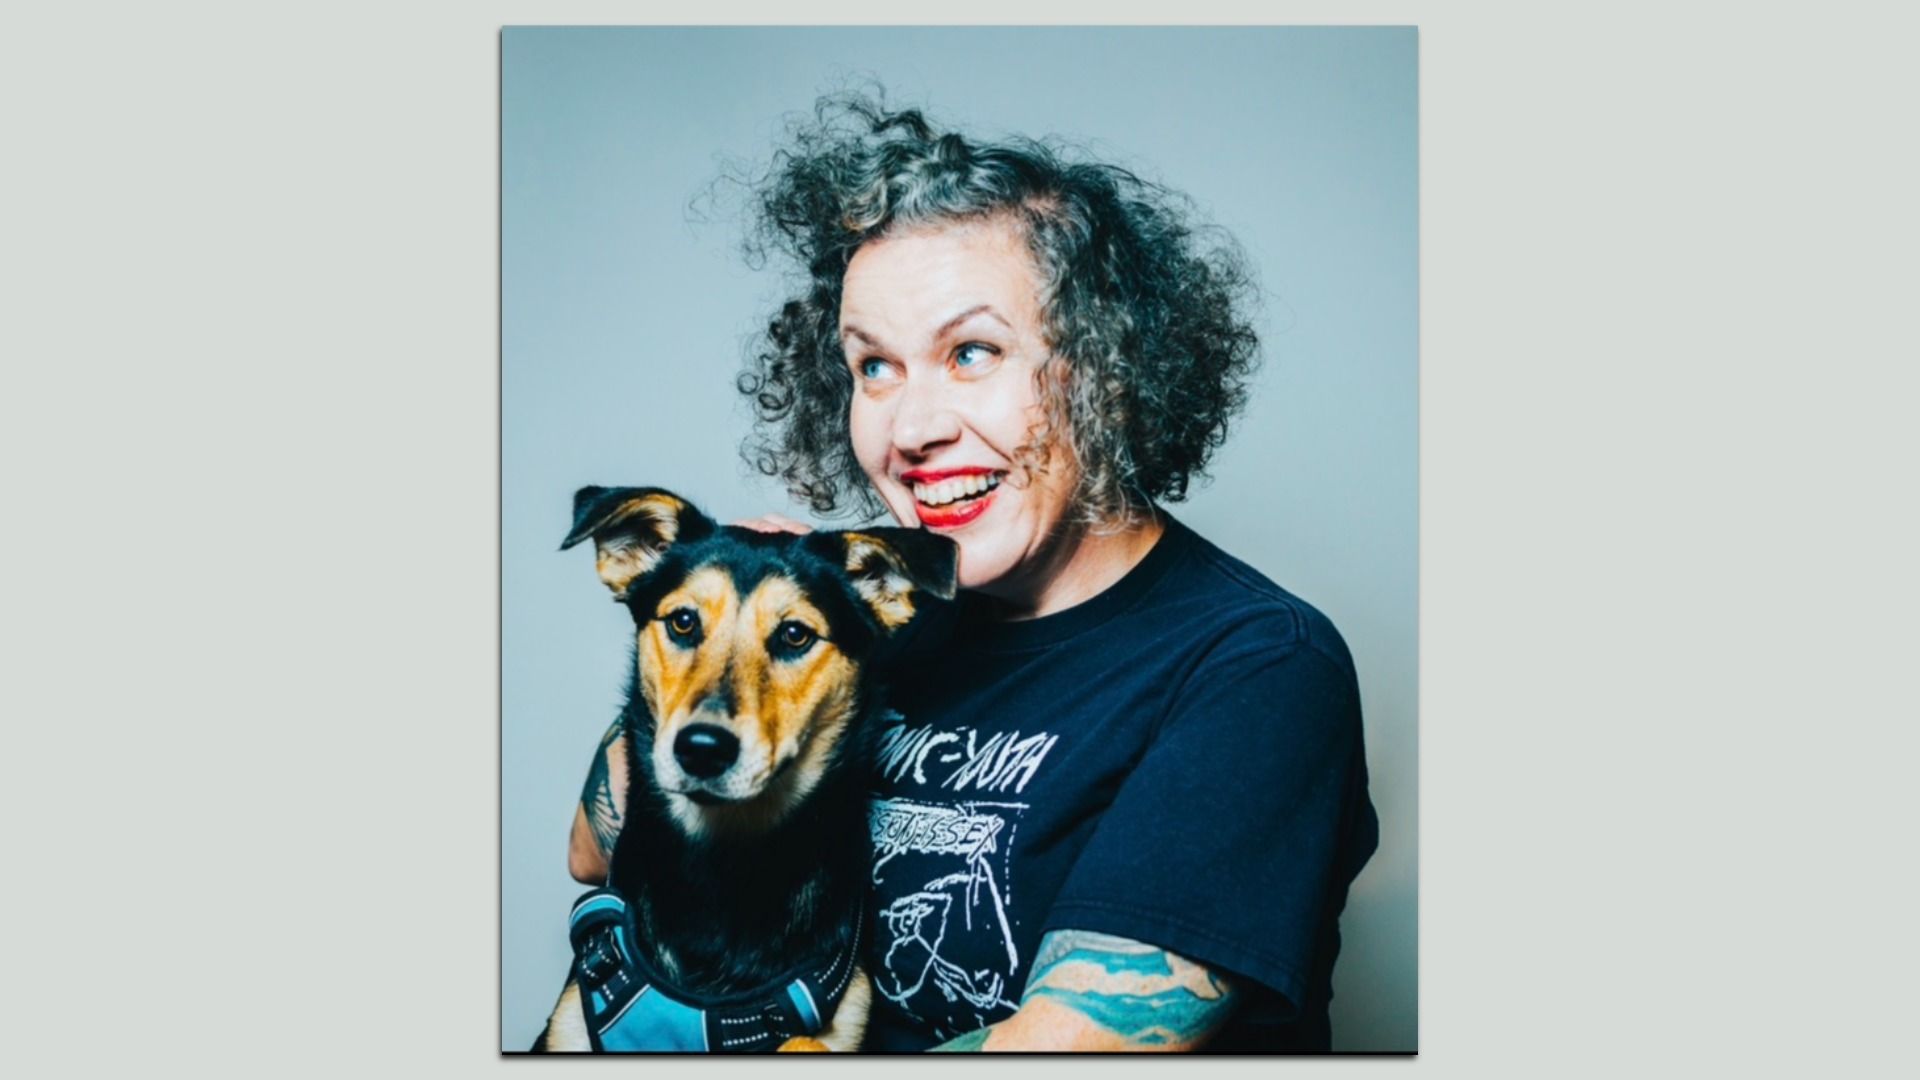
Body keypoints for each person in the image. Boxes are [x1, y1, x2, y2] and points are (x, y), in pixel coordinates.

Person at [565, 93, 1378, 1052]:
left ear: (1104, 370)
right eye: (874, 367)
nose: (912, 428)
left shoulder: (1258, 667)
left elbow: (1069, 1047)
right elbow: (592, 850)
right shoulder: (867, 615)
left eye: (972, 353)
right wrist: (716, 613)